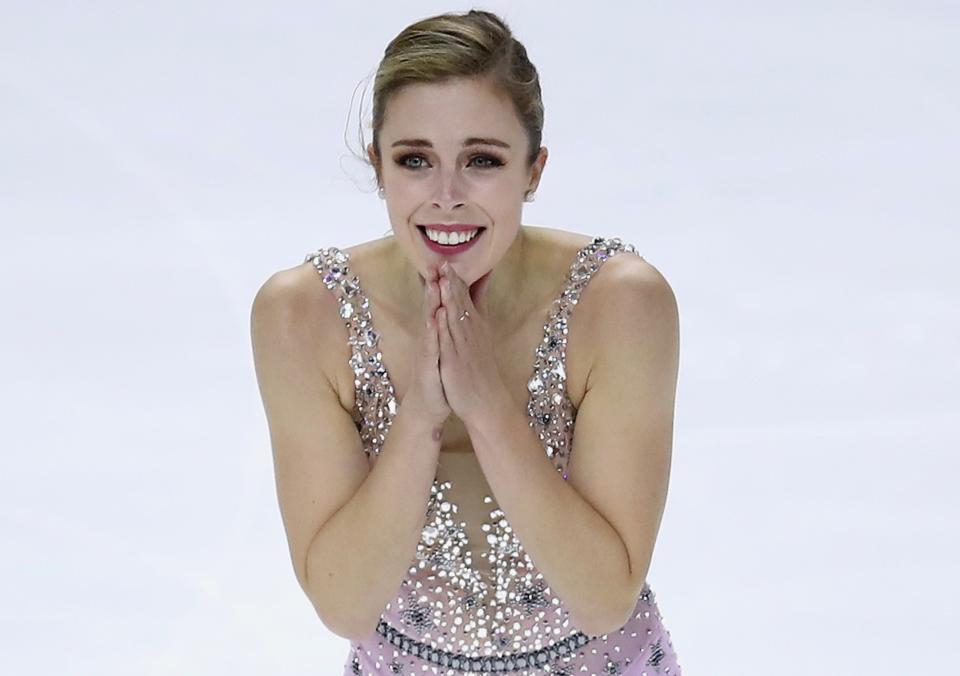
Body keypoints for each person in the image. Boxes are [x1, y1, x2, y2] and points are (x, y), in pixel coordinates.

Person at [250, 9, 682, 675]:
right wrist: (420, 413)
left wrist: (487, 407)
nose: (446, 197)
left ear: (533, 172)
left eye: (481, 160)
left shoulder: (619, 304)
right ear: (379, 166)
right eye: (414, 160)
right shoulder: (304, 316)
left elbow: (602, 600)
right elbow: (344, 605)